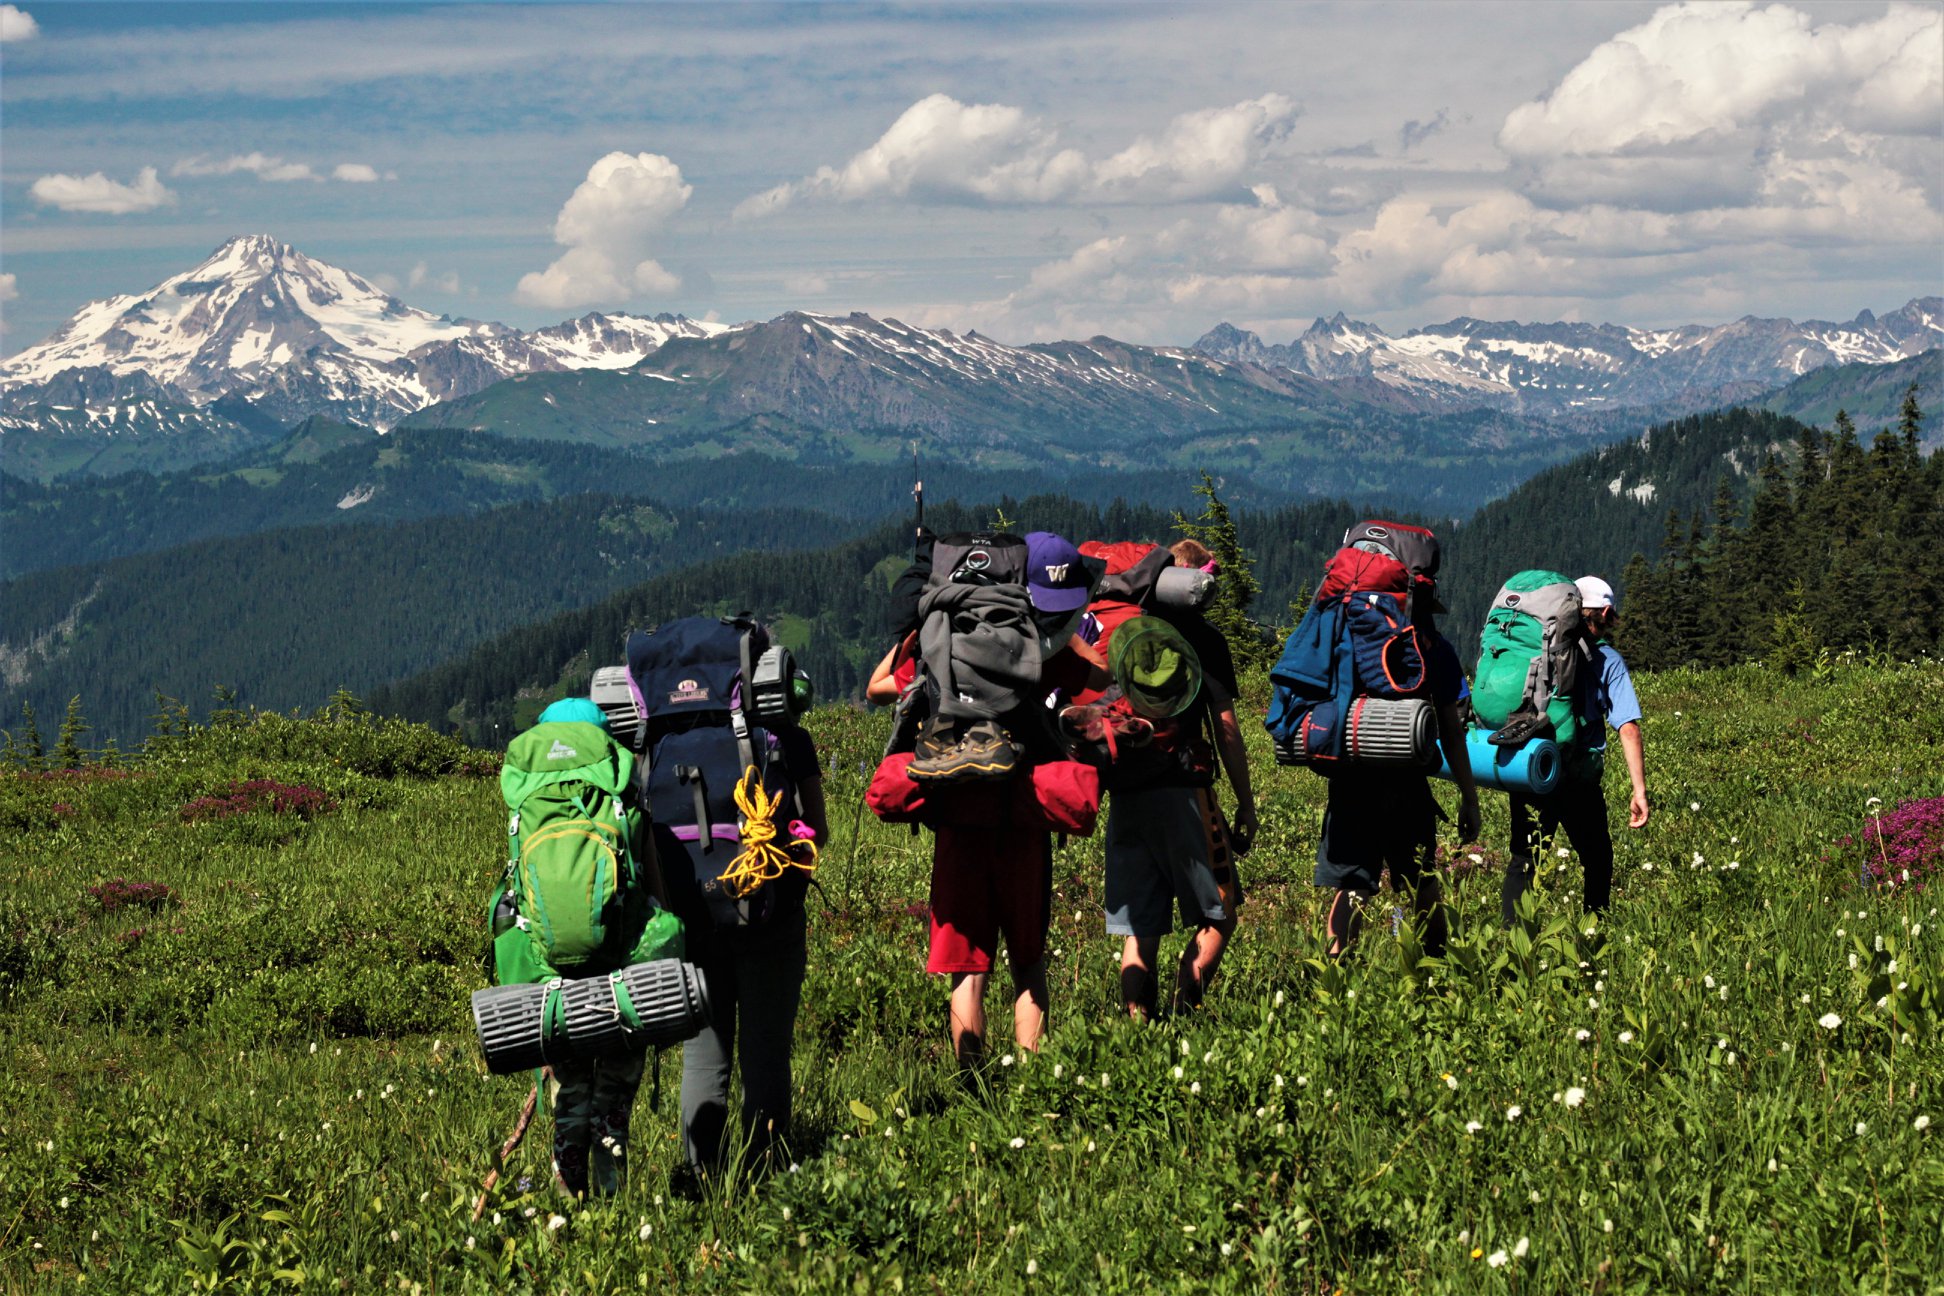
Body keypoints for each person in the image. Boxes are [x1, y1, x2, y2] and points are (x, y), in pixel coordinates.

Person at [917, 531, 1106, 1071]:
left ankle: (972, 1087)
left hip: (958, 816)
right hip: (1023, 816)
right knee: (1027, 963)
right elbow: (1102, 675)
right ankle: (1032, 1087)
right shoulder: (1039, 646)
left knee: (968, 969)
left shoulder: (952, 634)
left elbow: (884, 685)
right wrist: (1062, 634)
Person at [669, 672, 828, 1184]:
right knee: (765, 1051)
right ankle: (766, 1173)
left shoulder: (673, 736)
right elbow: (816, 830)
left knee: (703, 1053)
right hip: (770, 915)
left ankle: (701, 1176)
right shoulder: (788, 737)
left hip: (696, 913)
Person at [527, 697, 666, 1200]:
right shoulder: (621, 790)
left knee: (571, 1097)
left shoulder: (530, 801)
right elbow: (653, 889)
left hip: (553, 978)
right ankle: (611, 1211)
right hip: (618, 970)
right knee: (611, 1103)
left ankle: (566, 1203)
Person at [1097, 616, 1258, 1020]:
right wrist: (1245, 801)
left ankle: (1139, 1026)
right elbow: (1226, 729)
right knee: (1220, 912)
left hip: (1126, 792)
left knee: (1142, 925)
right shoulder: (1202, 635)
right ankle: (1184, 1015)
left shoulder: (1126, 629)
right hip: (1185, 792)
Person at [1314, 595, 1480, 959]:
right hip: (1407, 785)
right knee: (1420, 882)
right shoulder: (1434, 649)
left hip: (1351, 779)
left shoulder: (1351, 639)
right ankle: (1432, 966)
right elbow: (1452, 732)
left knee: (1351, 884)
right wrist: (1470, 798)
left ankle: (1335, 979)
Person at [1499, 575, 1649, 925]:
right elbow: (1628, 727)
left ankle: (1512, 945)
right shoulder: (1607, 659)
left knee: (1524, 859)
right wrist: (1639, 790)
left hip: (1533, 769)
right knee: (1597, 857)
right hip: (1577, 777)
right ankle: (1592, 933)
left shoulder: (1537, 650)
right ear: (1605, 612)